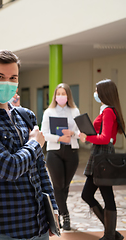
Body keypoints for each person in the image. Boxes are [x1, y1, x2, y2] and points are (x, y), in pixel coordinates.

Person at [0, 49, 58, 240]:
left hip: (38, 224)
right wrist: (34, 144)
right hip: (1, 228)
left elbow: (40, 168)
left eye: (13, 78)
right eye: (0, 77)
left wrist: (53, 207)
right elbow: (9, 168)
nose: (7, 83)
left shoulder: (26, 116)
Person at [80, 79, 125, 240]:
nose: (95, 94)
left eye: (97, 91)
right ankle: (112, 233)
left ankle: (110, 235)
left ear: (104, 93)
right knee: (94, 194)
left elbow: (105, 138)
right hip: (102, 154)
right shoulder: (108, 110)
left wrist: (88, 137)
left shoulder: (108, 111)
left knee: (101, 195)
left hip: (102, 154)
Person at [41, 83, 80, 230]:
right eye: (59, 94)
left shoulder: (75, 111)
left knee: (65, 186)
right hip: (54, 152)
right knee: (57, 186)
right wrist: (59, 138)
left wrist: (72, 134)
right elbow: (44, 133)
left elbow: (80, 131)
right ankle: (65, 215)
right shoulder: (49, 112)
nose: (61, 96)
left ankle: (60, 213)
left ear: (68, 96)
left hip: (72, 151)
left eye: (64, 94)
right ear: (55, 96)